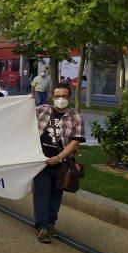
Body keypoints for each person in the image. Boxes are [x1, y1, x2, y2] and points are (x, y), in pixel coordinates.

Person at [33, 83, 85, 243]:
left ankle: (50, 222)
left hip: (62, 163)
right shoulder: (42, 110)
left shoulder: (76, 117)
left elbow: (75, 142)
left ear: (68, 97)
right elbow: (22, 118)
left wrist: (59, 157)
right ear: (52, 97)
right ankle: (41, 226)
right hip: (41, 162)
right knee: (42, 193)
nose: (60, 99)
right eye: (57, 96)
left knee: (56, 195)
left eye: (64, 96)